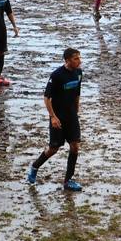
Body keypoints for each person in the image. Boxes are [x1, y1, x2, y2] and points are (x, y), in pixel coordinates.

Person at [27, 48, 83, 191]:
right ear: (67, 60)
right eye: (76, 58)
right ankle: (35, 167)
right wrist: (53, 117)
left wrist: (76, 112)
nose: (79, 61)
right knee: (53, 149)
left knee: (75, 147)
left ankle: (68, 181)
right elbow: (47, 98)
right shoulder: (57, 75)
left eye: (79, 58)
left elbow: (77, 93)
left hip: (71, 116)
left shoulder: (79, 73)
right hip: (58, 117)